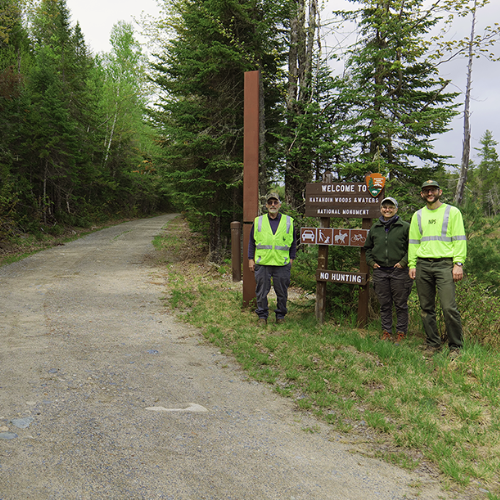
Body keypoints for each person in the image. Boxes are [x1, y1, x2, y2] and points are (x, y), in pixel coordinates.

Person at [408, 180, 467, 357]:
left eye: (432, 190)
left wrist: (458, 264)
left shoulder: (452, 212)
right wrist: (412, 264)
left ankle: (456, 347)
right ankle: (433, 344)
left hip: (445, 265)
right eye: (426, 191)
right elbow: (413, 242)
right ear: (422, 194)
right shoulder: (417, 215)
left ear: (439, 192)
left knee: (449, 307)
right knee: (426, 308)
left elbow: (460, 239)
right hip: (423, 265)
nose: (429, 193)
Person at [364, 197, 413, 344]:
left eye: (391, 207)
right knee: (385, 304)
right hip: (380, 272)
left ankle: (401, 333)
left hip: (400, 272)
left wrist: (404, 262)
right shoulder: (375, 228)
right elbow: (367, 248)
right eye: (385, 207)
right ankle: (386, 332)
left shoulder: (405, 227)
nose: (387, 210)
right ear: (381, 209)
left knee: (401, 304)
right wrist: (371, 262)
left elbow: (413, 247)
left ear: (396, 209)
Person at [248, 193, 296, 326]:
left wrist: (291, 259)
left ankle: (280, 316)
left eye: (275, 202)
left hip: (282, 263)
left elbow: (293, 243)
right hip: (263, 263)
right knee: (261, 291)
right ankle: (262, 316)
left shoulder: (288, 221)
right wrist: (250, 259)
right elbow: (252, 242)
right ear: (266, 205)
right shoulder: (259, 221)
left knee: (282, 292)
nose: (273, 205)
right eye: (270, 203)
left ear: (280, 204)